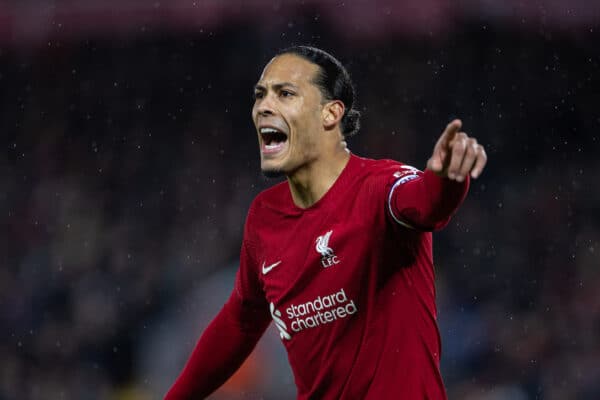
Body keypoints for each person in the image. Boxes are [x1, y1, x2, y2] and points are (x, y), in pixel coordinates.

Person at [165, 46, 487, 400]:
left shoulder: (380, 187)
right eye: (260, 95)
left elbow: (427, 204)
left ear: (331, 114)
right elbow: (241, 321)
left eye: (285, 93)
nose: (264, 107)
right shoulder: (264, 218)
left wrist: (448, 179)